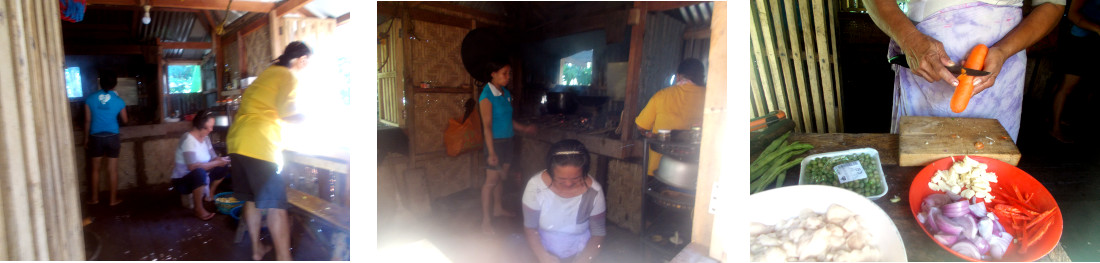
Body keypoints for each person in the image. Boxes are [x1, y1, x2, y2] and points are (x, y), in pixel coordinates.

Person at [865, 0, 1066, 142]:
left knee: (986, 167)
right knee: (921, 156)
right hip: (924, 64)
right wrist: (909, 39)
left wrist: (1003, 50)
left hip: (1003, 69)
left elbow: (1053, 4)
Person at [227, 41, 311, 261]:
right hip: (259, 144)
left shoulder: (269, 73)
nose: (306, 67)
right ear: (301, 59)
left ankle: (256, 250)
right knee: (276, 206)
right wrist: (314, 117)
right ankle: (285, 258)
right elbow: (288, 114)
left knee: (252, 200)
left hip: (237, 141)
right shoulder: (288, 75)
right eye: (307, 63)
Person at [522, 140, 606, 263]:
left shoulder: (594, 192)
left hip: (580, 252)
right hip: (541, 249)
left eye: (576, 178)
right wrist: (543, 257)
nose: (568, 184)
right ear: (551, 172)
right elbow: (530, 228)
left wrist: (583, 259)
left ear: (584, 172)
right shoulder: (536, 186)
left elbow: (598, 233)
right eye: (561, 179)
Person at [478, 61, 537, 234]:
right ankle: (486, 222)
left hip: (508, 141)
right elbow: (487, 126)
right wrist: (491, 152)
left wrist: (524, 128)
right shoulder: (486, 96)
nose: (508, 77)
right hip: (495, 144)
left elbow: (507, 120)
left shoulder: (506, 93)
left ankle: (497, 208)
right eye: (504, 73)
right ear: (493, 74)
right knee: (490, 182)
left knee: (500, 179)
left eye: (509, 73)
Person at [635, 59, 707, 176]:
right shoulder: (710, 97)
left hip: (659, 171)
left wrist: (653, 132)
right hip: (695, 174)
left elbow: (640, 126)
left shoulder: (662, 96)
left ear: (678, 76)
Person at [1050, 0, 1100, 142]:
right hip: (1079, 41)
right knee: (1066, 87)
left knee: (1077, 86)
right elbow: (1072, 14)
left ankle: (1055, 118)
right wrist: (1097, 28)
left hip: (1092, 41)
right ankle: (1054, 128)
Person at [171, 111, 231, 220]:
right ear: (200, 127)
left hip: (203, 176)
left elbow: (213, 157)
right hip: (183, 181)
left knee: (223, 167)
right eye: (208, 128)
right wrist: (216, 162)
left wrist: (223, 160)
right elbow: (192, 167)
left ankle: (209, 195)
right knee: (199, 172)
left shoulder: (206, 139)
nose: (211, 130)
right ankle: (198, 209)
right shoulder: (188, 139)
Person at [83, 70, 128, 206]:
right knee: (112, 170)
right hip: (113, 137)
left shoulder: (90, 99)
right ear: (115, 84)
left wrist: (86, 139)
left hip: (96, 137)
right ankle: (113, 200)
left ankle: (94, 199)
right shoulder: (119, 101)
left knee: (95, 170)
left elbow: (87, 121)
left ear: (100, 82)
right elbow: (125, 120)